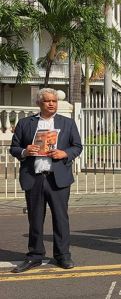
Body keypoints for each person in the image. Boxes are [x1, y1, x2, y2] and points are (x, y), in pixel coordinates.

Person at [9, 88, 83, 273]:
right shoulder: (26, 123)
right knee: (35, 219)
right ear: (38, 103)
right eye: (47, 101)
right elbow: (14, 148)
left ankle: (62, 255)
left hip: (57, 179)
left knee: (60, 219)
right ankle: (35, 256)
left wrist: (64, 153)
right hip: (34, 178)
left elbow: (77, 146)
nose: (52, 104)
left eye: (54, 101)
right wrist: (26, 151)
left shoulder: (67, 123)